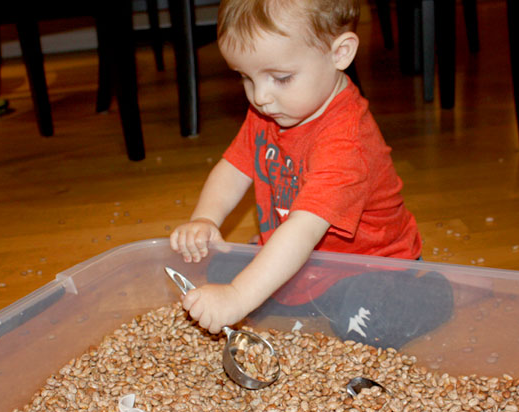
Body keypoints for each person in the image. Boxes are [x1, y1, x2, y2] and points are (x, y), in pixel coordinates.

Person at [169, 0, 448, 347]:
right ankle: (305, 294)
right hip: (307, 262)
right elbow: (234, 166)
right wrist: (206, 218)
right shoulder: (272, 110)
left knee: (363, 324)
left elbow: (302, 231)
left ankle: (431, 293)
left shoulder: (346, 143)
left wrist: (238, 297)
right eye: (245, 77)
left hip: (369, 269)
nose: (260, 96)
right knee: (221, 269)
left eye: (281, 78)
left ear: (340, 53)